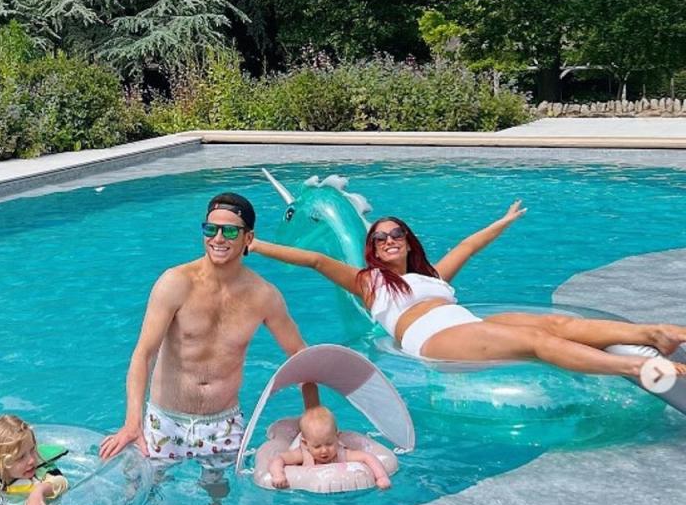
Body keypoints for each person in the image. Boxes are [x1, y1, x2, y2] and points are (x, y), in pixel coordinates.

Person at [251, 201, 686, 379]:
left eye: (395, 233)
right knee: (538, 340)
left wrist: (503, 221)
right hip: (432, 338)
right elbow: (313, 259)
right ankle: (636, 370)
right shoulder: (369, 281)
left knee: (558, 323)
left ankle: (658, 334)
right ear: (373, 251)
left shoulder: (434, 276)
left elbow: (469, 245)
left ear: (407, 239)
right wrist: (253, 244)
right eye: (380, 237)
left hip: (465, 322)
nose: (388, 239)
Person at [99, 192, 318, 465]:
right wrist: (133, 422)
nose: (218, 238)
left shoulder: (263, 296)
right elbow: (143, 354)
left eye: (229, 231)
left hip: (223, 426)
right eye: (210, 229)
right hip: (165, 421)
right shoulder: (175, 283)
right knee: (150, 493)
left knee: (220, 501)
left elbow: (300, 355)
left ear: (248, 238)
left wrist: (314, 416)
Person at [268, 405, 392, 490]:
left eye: (329, 444)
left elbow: (367, 457)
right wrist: (278, 475)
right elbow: (278, 459)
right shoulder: (303, 453)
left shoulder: (341, 453)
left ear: (337, 438)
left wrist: (381, 477)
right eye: (317, 446)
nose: (324, 450)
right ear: (306, 444)